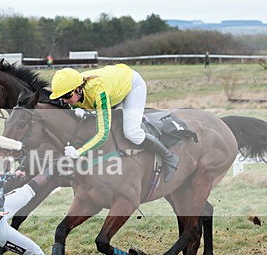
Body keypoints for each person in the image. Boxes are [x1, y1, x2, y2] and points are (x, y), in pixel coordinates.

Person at [49, 64, 180, 182]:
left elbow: (103, 134)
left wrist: (79, 152)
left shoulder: (98, 91)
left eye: (67, 96)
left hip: (132, 85)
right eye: (61, 98)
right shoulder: (73, 90)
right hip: (113, 86)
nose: (64, 100)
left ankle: (169, 157)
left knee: (132, 132)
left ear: (78, 89)